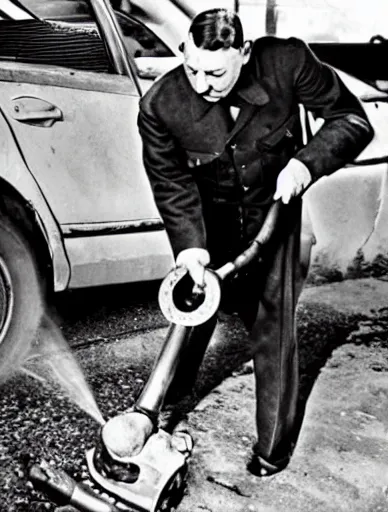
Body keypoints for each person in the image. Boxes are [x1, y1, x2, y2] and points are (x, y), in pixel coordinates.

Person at [137, 8, 374, 476]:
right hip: (208, 224)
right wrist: (191, 252)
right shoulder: (160, 105)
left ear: (243, 55)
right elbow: (171, 184)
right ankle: (160, 411)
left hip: (274, 216)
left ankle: (272, 448)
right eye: (192, 68)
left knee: (272, 325)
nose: (203, 83)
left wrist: (307, 163)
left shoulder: (287, 62)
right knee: (192, 309)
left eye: (216, 73)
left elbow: (352, 120)